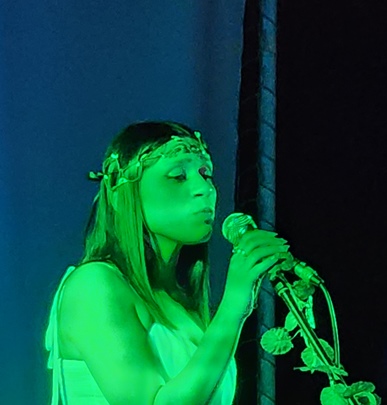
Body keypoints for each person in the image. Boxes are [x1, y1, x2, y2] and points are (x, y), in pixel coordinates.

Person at [44, 121, 289, 404]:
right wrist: (234, 304)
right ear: (123, 193)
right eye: (178, 176)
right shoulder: (94, 285)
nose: (204, 189)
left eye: (206, 174)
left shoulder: (181, 301)